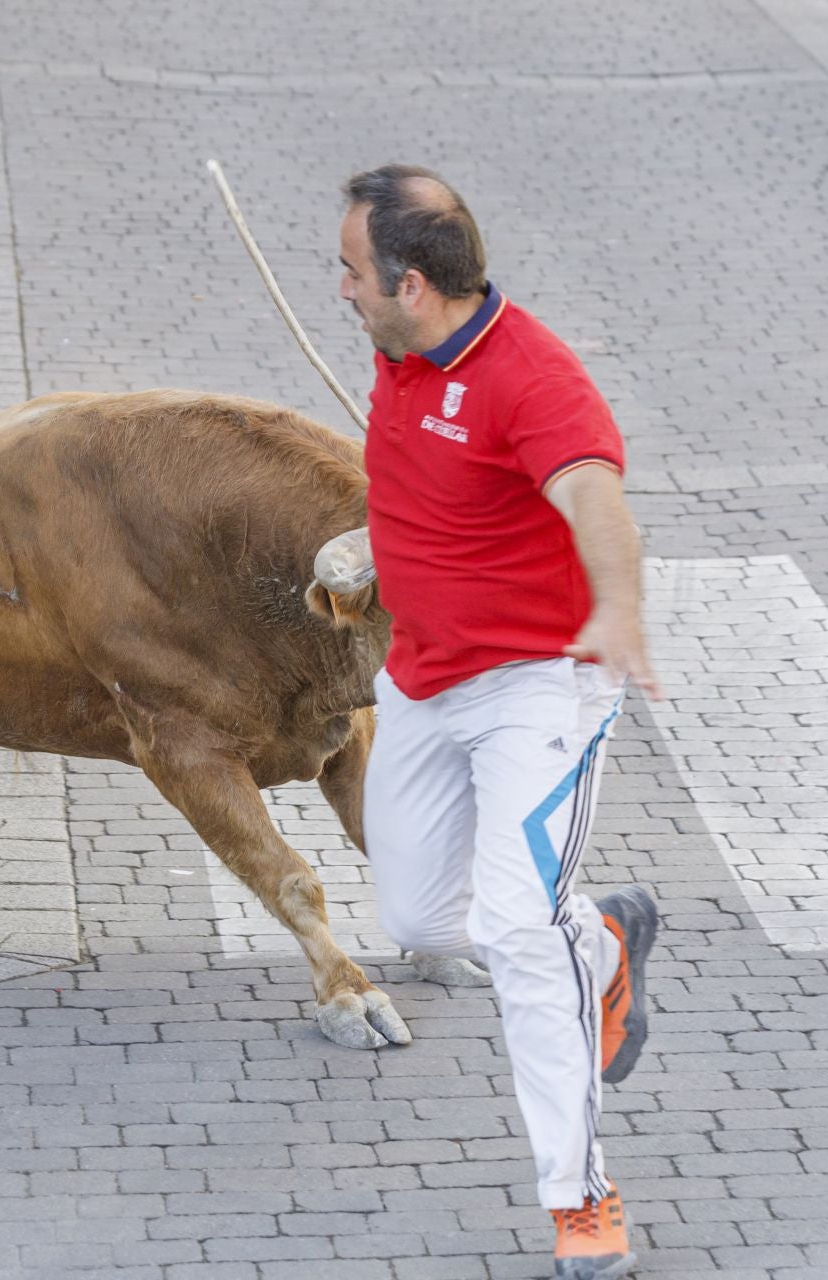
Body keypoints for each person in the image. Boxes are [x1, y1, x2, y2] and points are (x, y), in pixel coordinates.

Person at [335, 164, 662, 1280]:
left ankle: (584, 1203)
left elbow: (591, 496)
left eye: (350, 273)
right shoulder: (402, 351)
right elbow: (441, 487)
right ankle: (604, 944)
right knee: (425, 919)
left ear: (414, 284)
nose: (339, 290)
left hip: (540, 689)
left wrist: (617, 608)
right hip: (423, 683)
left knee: (521, 933)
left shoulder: (535, 379)